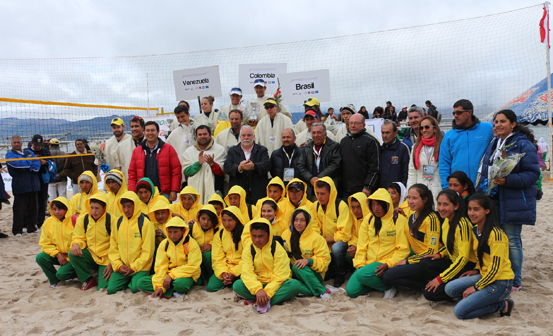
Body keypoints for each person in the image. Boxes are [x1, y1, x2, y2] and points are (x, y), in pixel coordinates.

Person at [475, 109, 540, 291]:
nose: (498, 125)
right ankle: (501, 275)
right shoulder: (494, 142)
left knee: (511, 239)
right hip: (493, 198)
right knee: (497, 239)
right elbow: (486, 170)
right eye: (495, 122)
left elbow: (533, 174)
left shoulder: (523, 144)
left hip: (512, 199)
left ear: (513, 123)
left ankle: (515, 281)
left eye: (502, 121)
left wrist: (507, 180)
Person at [445, 194, 514, 319]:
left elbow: (496, 269)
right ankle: (482, 298)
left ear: (487, 210)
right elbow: (480, 255)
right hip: (484, 275)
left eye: (476, 209)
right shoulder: (475, 230)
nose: (472, 213)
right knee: (450, 288)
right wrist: (477, 269)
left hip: (500, 282)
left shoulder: (496, 235)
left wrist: (476, 288)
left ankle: (502, 305)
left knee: (459, 312)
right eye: (470, 209)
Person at [347, 189, 410, 299]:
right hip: (368, 263)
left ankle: (388, 288)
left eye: (379, 205)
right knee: (352, 291)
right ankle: (373, 282)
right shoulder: (368, 219)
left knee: (362, 275)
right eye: (373, 204)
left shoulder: (398, 220)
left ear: (387, 205)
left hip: (386, 262)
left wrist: (389, 263)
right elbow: (362, 245)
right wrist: (360, 264)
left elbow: (403, 249)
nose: (376, 208)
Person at [232, 219, 301, 313]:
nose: (257, 240)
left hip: (276, 286)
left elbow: (281, 275)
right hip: (258, 283)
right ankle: (266, 301)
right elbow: (247, 272)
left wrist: (268, 292)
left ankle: (260, 302)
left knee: (294, 285)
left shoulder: (277, 248)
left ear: (269, 235)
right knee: (237, 285)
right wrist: (258, 290)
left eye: (261, 236)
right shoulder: (249, 248)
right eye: (254, 236)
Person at [419, 189, 477, 301]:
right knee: (425, 262)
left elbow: (463, 258)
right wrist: (440, 254)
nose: (441, 208)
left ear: (456, 206)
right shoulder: (447, 220)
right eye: (439, 204)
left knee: (429, 294)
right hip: (454, 262)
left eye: (446, 204)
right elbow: (449, 243)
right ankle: (451, 283)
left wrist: (440, 279)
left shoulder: (463, 224)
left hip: (467, 266)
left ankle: (464, 289)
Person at [382, 184, 441, 291]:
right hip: (417, 258)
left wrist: (408, 261)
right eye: (409, 197)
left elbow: (432, 251)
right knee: (389, 272)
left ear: (425, 200)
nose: (410, 201)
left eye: (415, 198)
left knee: (389, 276)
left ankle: (424, 287)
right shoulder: (412, 216)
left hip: (427, 262)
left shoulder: (431, 219)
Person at [137, 217, 202, 298]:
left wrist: (171, 276)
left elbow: (193, 266)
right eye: (170, 232)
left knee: (180, 284)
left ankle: (174, 288)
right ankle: (173, 291)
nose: (172, 235)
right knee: (141, 282)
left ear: (183, 231)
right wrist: (160, 286)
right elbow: (161, 267)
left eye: (175, 232)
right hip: (167, 275)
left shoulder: (191, 244)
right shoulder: (164, 244)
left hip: (185, 275)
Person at [281, 207, 335, 299]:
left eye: (302, 220)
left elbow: (324, 262)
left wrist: (308, 261)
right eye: (296, 220)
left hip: (313, 274)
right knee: (290, 284)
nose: (298, 223)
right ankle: (322, 289)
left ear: (308, 222)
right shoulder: (286, 234)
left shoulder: (317, 238)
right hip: (294, 274)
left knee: (297, 266)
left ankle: (320, 290)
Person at [107, 191, 155, 295]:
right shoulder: (118, 222)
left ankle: (135, 280)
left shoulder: (145, 222)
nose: (126, 210)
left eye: (129, 206)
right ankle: (130, 280)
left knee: (135, 289)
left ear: (136, 205)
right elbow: (113, 247)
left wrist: (133, 267)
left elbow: (148, 251)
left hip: (141, 266)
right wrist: (118, 265)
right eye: (124, 207)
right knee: (111, 289)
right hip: (123, 267)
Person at [439, 99, 494, 189]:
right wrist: (446, 187)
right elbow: (444, 163)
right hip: (459, 188)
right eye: (454, 113)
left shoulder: (488, 129)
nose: (455, 116)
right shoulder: (449, 135)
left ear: (469, 112)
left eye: (459, 112)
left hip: (483, 186)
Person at [69, 193, 114, 291]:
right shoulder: (83, 219)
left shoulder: (112, 220)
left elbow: (118, 244)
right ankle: (88, 279)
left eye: (97, 208)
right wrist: (76, 243)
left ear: (104, 207)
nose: (94, 211)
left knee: (102, 287)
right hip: (91, 255)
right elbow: (78, 236)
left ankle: (100, 272)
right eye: (92, 207)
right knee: (72, 254)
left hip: (106, 258)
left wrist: (112, 262)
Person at [128, 121, 181, 202]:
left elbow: (176, 171)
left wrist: (174, 190)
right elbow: (132, 174)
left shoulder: (168, 149)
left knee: (164, 214)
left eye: (152, 130)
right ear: (144, 132)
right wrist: (132, 193)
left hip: (163, 193)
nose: (150, 133)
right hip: (143, 194)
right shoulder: (137, 151)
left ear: (158, 132)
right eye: (147, 130)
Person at [312, 177, 351, 287]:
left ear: (331, 192)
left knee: (337, 248)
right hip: (323, 244)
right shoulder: (315, 206)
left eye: (323, 193)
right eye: (317, 193)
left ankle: (341, 273)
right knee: (327, 276)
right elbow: (314, 227)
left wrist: (324, 241)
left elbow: (344, 234)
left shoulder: (341, 206)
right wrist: (319, 241)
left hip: (337, 242)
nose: (319, 197)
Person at [36, 197, 77, 288]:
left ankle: (78, 273)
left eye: (60, 209)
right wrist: (57, 254)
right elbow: (44, 243)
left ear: (67, 209)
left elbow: (80, 240)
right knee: (40, 257)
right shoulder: (48, 222)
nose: (57, 212)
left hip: (74, 256)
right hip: (60, 256)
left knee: (61, 274)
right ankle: (54, 281)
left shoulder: (75, 221)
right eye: (54, 209)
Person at [224, 126, 271, 204]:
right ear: (240, 136)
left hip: (258, 192)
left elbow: (267, 165)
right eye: (243, 135)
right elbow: (227, 167)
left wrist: (254, 166)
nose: (246, 137)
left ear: (253, 136)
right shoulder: (232, 151)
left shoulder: (262, 150)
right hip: (238, 193)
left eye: (249, 135)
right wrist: (239, 168)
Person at [6, 135, 41, 235]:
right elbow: (17, 165)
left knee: (33, 208)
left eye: (18, 142)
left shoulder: (29, 152)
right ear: (11, 144)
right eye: (14, 142)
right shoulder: (9, 154)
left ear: (22, 143)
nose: (16, 144)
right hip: (21, 185)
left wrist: (28, 166)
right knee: (19, 209)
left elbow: (37, 165)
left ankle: (31, 227)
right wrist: (29, 163)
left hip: (33, 184)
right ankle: (17, 230)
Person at [296, 123, 341, 200]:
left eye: (319, 132)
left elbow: (335, 165)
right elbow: (300, 166)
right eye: (313, 133)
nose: (316, 135)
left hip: (328, 189)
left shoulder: (334, 146)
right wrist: (310, 178)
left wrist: (319, 178)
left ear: (325, 134)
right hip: (311, 191)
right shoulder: (307, 148)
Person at [183, 125, 226, 204]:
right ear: (196, 136)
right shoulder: (188, 152)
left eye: (205, 134)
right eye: (200, 134)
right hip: (194, 192)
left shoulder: (220, 149)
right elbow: (186, 172)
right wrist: (198, 164)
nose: (202, 136)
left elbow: (222, 172)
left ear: (210, 135)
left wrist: (212, 164)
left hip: (215, 190)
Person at [340, 114, 381, 198]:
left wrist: (368, 186)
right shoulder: (343, 141)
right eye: (351, 123)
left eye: (356, 123)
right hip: (345, 190)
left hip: (363, 190)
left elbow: (375, 167)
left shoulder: (371, 141)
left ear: (363, 125)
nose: (353, 126)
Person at [208, 206, 245, 292]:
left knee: (240, 285)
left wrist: (234, 272)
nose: (226, 224)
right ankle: (229, 280)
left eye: (230, 220)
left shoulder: (245, 234)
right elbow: (217, 257)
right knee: (211, 287)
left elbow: (247, 258)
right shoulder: (219, 234)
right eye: (224, 220)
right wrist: (223, 272)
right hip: (227, 267)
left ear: (237, 220)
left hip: (242, 268)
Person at [407, 116, 443, 198]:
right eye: (421, 128)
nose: (424, 130)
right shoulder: (415, 147)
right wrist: (410, 193)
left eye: (427, 127)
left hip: (438, 189)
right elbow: (412, 172)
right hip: (421, 191)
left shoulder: (443, 145)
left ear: (435, 129)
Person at [379, 120, 410, 189]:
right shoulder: (379, 149)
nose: (384, 135)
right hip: (382, 192)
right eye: (383, 133)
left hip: (397, 193)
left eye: (387, 133)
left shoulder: (403, 148)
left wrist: (402, 190)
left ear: (395, 133)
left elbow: (407, 172)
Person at [166, 105, 194, 175]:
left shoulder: (196, 129)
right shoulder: (174, 133)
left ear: (188, 115)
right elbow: (167, 150)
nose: (180, 120)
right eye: (178, 117)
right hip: (182, 168)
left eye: (182, 116)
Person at [345, 192, 369, 267]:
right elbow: (351, 234)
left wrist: (358, 248)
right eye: (353, 207)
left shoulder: (371, 218)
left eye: (359, 207)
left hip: (368, 249)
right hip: (357, 246)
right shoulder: (351, 216)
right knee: (348, 253)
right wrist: (353, 246)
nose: (356, 211)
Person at [46, 138, 67, 203]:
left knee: (52, 197)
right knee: (62, 196)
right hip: (62, 178)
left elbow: (46, 167)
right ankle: (63, 210)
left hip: (51, 179)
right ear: (58, 145)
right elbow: (67, 167)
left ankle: (52, 211)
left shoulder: (47, 154)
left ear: (50, 145)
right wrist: (60, 175)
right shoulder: (64, 154)